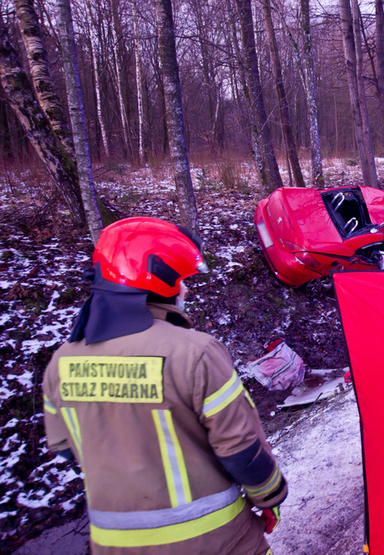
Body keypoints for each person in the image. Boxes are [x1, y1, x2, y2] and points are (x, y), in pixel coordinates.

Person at [41, 217, 287, 554]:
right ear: (158, 279)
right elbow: (242, 451)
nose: (185, 289)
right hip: (216, 542)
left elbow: (65, 447)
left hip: (112, 546)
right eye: (182, 280)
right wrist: (271, 496)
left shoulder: (60, 363)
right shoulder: (194, 352)